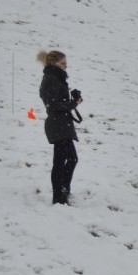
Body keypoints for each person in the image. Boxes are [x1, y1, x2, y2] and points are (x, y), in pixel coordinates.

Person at [37, 50, 83, 205]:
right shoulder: (51, 78)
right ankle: (60, 195)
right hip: (58, 124)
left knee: (65, 159)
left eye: (66, 63)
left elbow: (58, 102)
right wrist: (73, 103)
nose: (66, 66)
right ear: (53, 63)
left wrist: (74, 98)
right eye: (62, 63)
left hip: (62, 123)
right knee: (67, 159)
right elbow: (53, 105)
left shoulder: (56, 77)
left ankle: (62, 193)